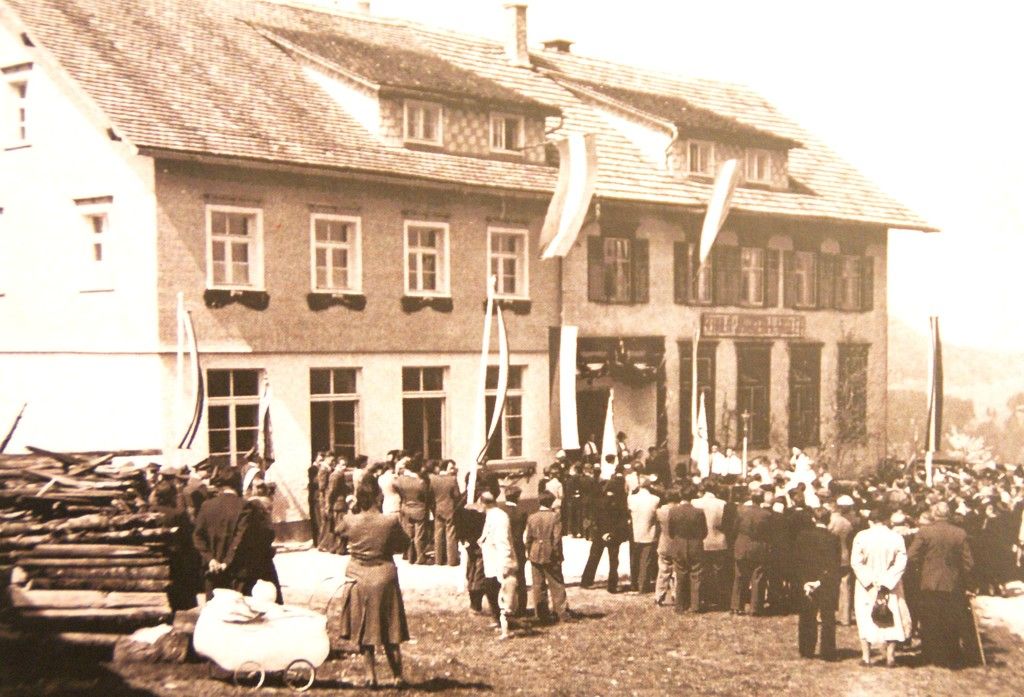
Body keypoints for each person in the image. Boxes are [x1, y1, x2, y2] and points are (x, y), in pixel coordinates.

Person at [333, 476, 410, 688]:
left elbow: (337, 533)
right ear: (378, 497)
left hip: (359, 576)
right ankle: (397, 676)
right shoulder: (389, 521)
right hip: (384, 575)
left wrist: (353, 512)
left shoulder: (350, 520)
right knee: (391, 627)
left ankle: (370, 676)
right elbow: (404, 544)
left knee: (364, 627)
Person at [908, 501, 975, 668]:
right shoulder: (959, 533)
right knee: (950, 619)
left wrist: (920, 569)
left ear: (934, 514)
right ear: (949, 514)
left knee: (930, 619)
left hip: (929, 581)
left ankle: (930, 653)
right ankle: (950, 654)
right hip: (952, 582)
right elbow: (969, 563)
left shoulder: (925, 532)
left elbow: (911, 556)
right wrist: (969, 583)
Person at [851, 508, 912, 667]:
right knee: (893, 615)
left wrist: (869, 581)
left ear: (870, 521)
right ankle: (890, 657)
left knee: (865, 615)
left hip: (867, 585)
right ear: (886, 521)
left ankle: (866, 657)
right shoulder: (895, 537)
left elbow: (856, 562)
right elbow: (901, 562)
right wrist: (887, 581)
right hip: (890, 583)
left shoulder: (862, 536)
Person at [192, 466, 248, 598]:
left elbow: (197, 536)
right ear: (238, 484)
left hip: (212, 572)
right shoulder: (244, 506)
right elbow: (240, 538)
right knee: (236, 613)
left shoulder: (207, 505)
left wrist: (210, 559)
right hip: (236, 571)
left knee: (213, 612)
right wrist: (226, 562)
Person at [793, 507, 841, 661]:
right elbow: (834, 564)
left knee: (807, 615)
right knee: (827, 617)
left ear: (813, 519)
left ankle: (806, 650)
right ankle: (827, 651)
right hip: (825, 581)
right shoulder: (833, 538)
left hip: (806, 580)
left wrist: (805, 582)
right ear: (828, 520)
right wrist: (820, 581)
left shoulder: (802, 536)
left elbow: (798, 561)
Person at [580, 468, 630, 593]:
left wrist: (600, 532)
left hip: (599, 534)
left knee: (594, 557)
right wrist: (613, 533)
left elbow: (595, 518)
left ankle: (586, 580)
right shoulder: (620, 503)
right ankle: (612, 586)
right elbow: (621, 521)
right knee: (613, 561)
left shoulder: (599, 502)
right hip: (613, 535)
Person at [478, 491, 518, 640]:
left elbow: (503, 541)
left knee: (502, 595)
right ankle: (498, 621)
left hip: (500, 561)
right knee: (490, 590)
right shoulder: (491, 515)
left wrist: (506, 561)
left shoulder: (499, 517)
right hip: (492, 561)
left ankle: (505, 627)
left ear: (483, 503)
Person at [524, 490, 569, 622]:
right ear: (551, 502)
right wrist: (558, 555)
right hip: (550, 553)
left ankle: (541, 614)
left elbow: (528, 538)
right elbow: (556, 539)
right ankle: (561, 613)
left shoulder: (532, 517)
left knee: (538, 585)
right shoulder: (555, 517)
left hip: (535, 552)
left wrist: (529, 551)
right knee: (556, 583)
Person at [667, 484, 707, 613]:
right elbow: (704, 531)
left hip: (679, 544)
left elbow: (670, 532)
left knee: (680, 575)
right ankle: (695, 605)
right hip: (695, 544)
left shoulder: (673, 511)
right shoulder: (699, 512)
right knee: (696, 575)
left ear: (680, 495)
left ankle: (680, 605)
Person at [731, 490, 771, 616]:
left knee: (740, 576)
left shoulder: (741, 510)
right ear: (762, 499)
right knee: (758, 577)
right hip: (759, 547)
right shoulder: (767, 515)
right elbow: (769, 533)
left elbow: (734, 528)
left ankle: (736, 606)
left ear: (751, 498)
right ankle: (755, 608)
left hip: (742, 545)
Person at [692, 481, 729, 609]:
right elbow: (726, 523)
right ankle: (720, 599)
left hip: (702, 540)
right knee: (719, 572)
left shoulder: (695, 502)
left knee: (702, 571)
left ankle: (704, 598)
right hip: (719, 540)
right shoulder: (722, 504)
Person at [394, 458, 430, 564]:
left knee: (409, 534)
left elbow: (396, 487)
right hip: (419, 509)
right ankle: (420, 557)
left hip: (406, 508)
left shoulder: (400, 480)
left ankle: (410, 557)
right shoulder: (421, 482)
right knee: (419, 536)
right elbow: (426, 495)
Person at [627, 479, 660, 593]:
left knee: (634, 559)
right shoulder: (656, 499)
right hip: (649, 532)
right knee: (646, 561)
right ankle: (643, 585)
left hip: (635, 532)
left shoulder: (631, 498)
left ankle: (633, 583)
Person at [501, 485, 529, 616]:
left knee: (504, 577)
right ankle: (521, 607)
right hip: (518, 547)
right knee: (521, 578)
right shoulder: (522, 512)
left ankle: (506, 605)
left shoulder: (501, 512)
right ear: (517, 497)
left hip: (505, 546)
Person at [829, 495, 856, 626]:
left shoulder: (833, 520)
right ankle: (845, 617)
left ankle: (824, 613)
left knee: (829, 583)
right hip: (846, 555)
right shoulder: (851, 522)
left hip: (833, 555)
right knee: (845, 585)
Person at [429, 459, 460, 566]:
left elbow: (430, 494)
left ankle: (438, 560)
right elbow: (457, 495)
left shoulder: (433, 479)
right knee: (450, 534)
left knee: (438, 534)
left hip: (438, 509)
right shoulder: (452, 479)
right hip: (450, 508)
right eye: (451, 467)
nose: (453, 470)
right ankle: (452, 561)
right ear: (446, 468)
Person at [654, 488, 680, 606]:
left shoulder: (660, 511)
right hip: (677, 544)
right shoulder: (679, 510)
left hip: (664, 543)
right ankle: (676, 594)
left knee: (663, 570)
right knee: (676, 572)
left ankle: (659, 596)